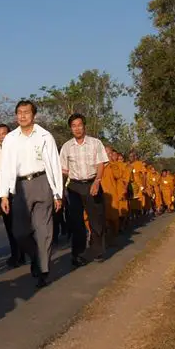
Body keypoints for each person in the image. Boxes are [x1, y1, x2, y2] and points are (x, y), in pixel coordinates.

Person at [0, 100, 64, 288]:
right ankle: (36, 256)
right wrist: (3, 194)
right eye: (19, 112)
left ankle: (44, 270)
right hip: (20, 187)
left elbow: (55, 165)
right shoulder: (10, 138)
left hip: (42, 182)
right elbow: (6, 166)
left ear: (33, 115)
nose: (22, 116)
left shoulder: (45, 136)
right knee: (19, 232)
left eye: (26, 112)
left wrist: (58, 193)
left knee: (44, 230)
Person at [59, 113, 109, 264]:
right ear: (70, 129)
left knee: (96, 219)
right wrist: (61, 189)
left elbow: (101, 163)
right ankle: (78, 253)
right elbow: (63, 169)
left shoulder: (95, 143)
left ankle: (97, 250)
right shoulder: (66, 147)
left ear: (84, 126)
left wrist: (97, 181)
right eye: (74, 126)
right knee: (75, 222)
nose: (77, 128)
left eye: (79, 125)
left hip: (92, 183)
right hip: (74, 186)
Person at [0, 123, 25, 268]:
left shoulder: (18, 149)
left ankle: (23, 252)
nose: (2, 136)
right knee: (9, 225)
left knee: (21, 224)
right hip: (3, 193)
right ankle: (15, 254)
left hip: (19, 190)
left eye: (4, 133)